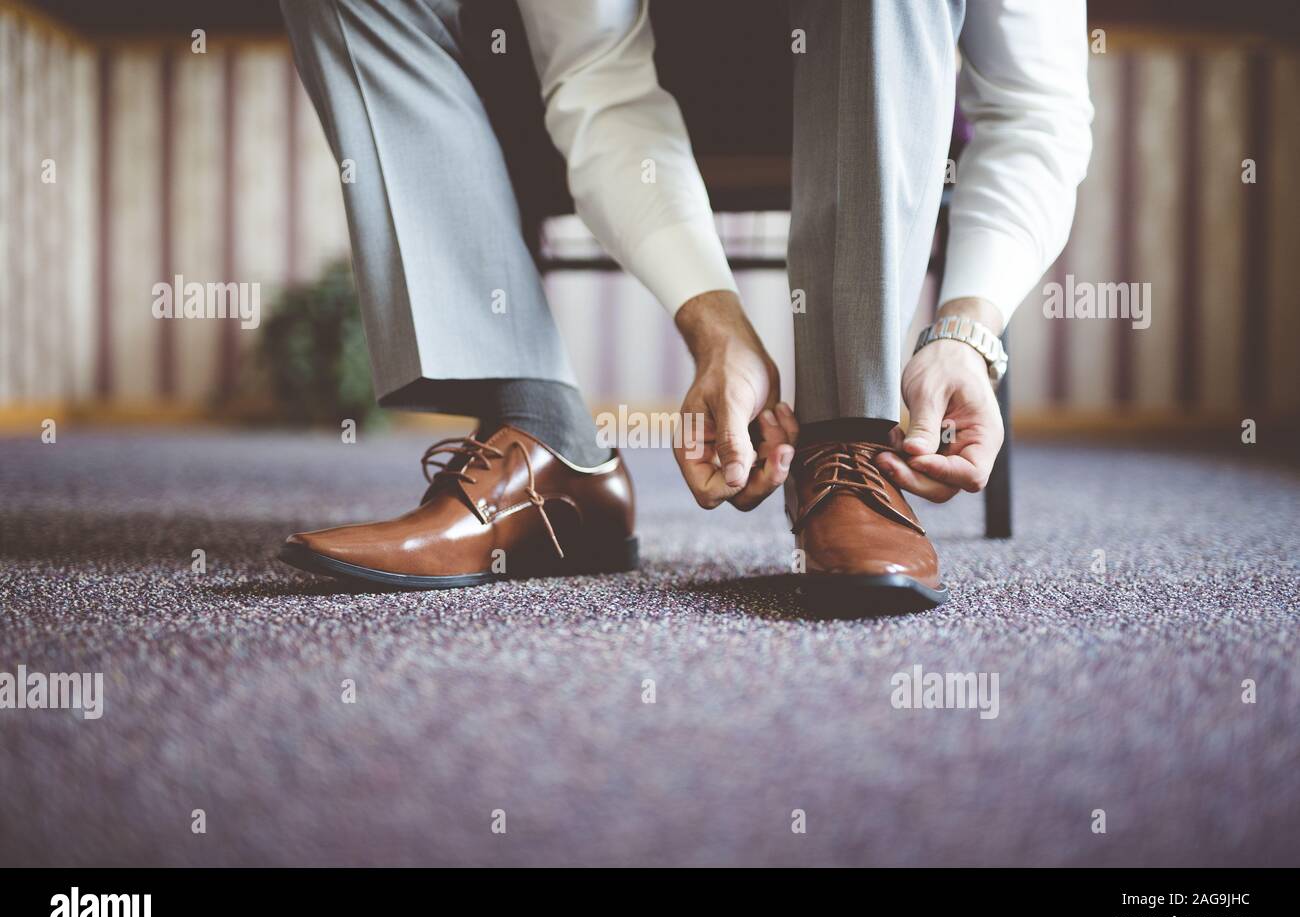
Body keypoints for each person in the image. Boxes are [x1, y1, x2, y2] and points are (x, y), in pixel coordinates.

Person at [277, 0, 1092, 616]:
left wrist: (967, 331)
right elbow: (599, 77)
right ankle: (546, 444)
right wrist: (715, 326)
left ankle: (851, 439)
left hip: (873, 63)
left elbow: (1034, 108)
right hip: (610, 67)